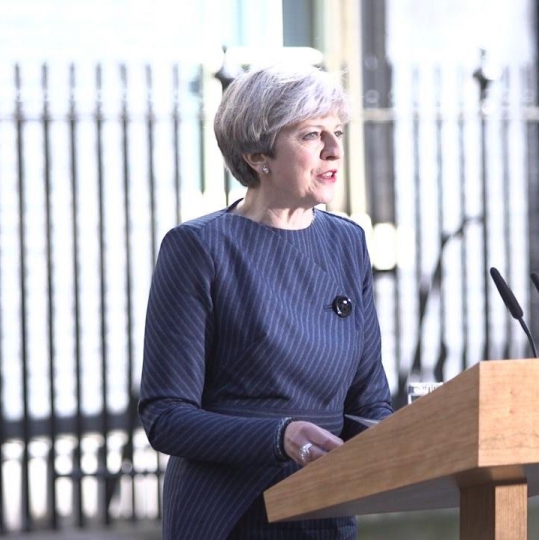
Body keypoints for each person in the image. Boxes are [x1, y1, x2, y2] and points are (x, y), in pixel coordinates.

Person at [138, 64, 393, 539]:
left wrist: (400, 435)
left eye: (336, 132)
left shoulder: (347, 243)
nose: (334, 150)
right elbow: (166, 416)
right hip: (229, 515)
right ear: (259, 155)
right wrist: (280, 437)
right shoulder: (198, 249)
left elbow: (369, 397)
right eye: (312, 135)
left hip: (324, 509)